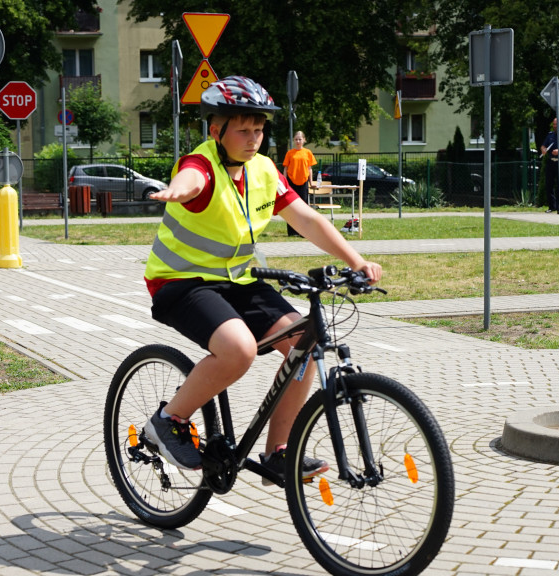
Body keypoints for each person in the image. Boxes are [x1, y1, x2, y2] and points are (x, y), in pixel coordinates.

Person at [142, 76, 383, 483]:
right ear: (216, 130)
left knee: (304, 345)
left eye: (259, 129)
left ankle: (278, 452)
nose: (253, 138)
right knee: (240, 350)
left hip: (238, 280)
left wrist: (356, 260)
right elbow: (192, 180)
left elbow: (305, 218)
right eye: (243, 130)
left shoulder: (264, 170)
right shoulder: (200, 164)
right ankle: (168, 420)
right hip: (180, 282)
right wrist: (176, 192)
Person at [281, 131, 318, 236]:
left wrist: (311, 182)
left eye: (300, 139)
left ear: (304, 140)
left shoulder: (308, 152)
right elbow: (286, 168)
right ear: (294, 140)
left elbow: (309, 168)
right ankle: (292, 232)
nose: (298, 141)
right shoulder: (290, 153)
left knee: (304, 207)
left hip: (303, 182)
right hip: (291, 182)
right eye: (296, 139)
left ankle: (304, 232)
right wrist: (285, 182)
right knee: (291, 207)